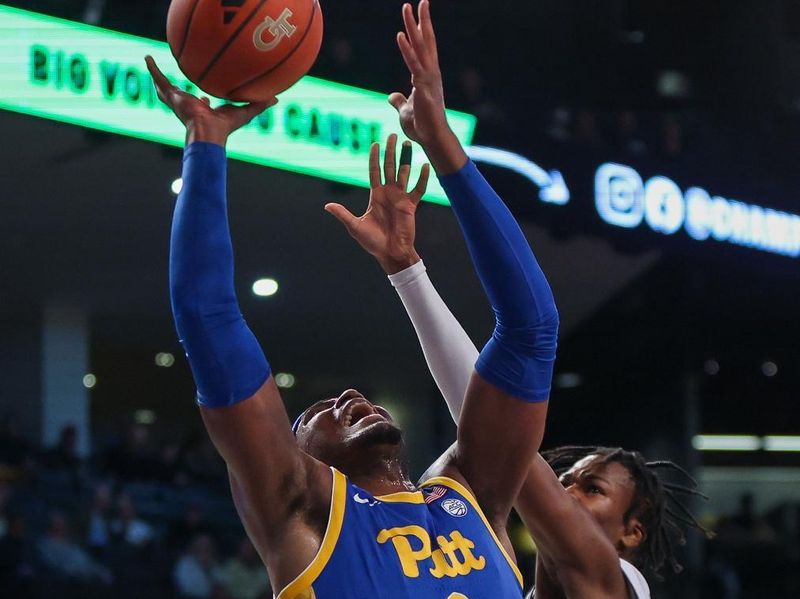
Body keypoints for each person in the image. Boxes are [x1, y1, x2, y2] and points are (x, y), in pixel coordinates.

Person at [145, 0, 559, 595]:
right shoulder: (299, 511)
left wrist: (443, 145)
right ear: (297, 454)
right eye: (311, 415)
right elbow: (208, 320)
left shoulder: (473, 496)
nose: (349, 397)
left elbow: (532, 328)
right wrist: (205, 143)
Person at [332, 7, 712, 599]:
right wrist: (408, 272)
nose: (563, 491)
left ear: (630, 533)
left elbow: (504, 388)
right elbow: (487, 413)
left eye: (590, 489)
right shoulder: (500, 572)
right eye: (570, 479)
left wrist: (441, 147)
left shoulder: (613, 580)